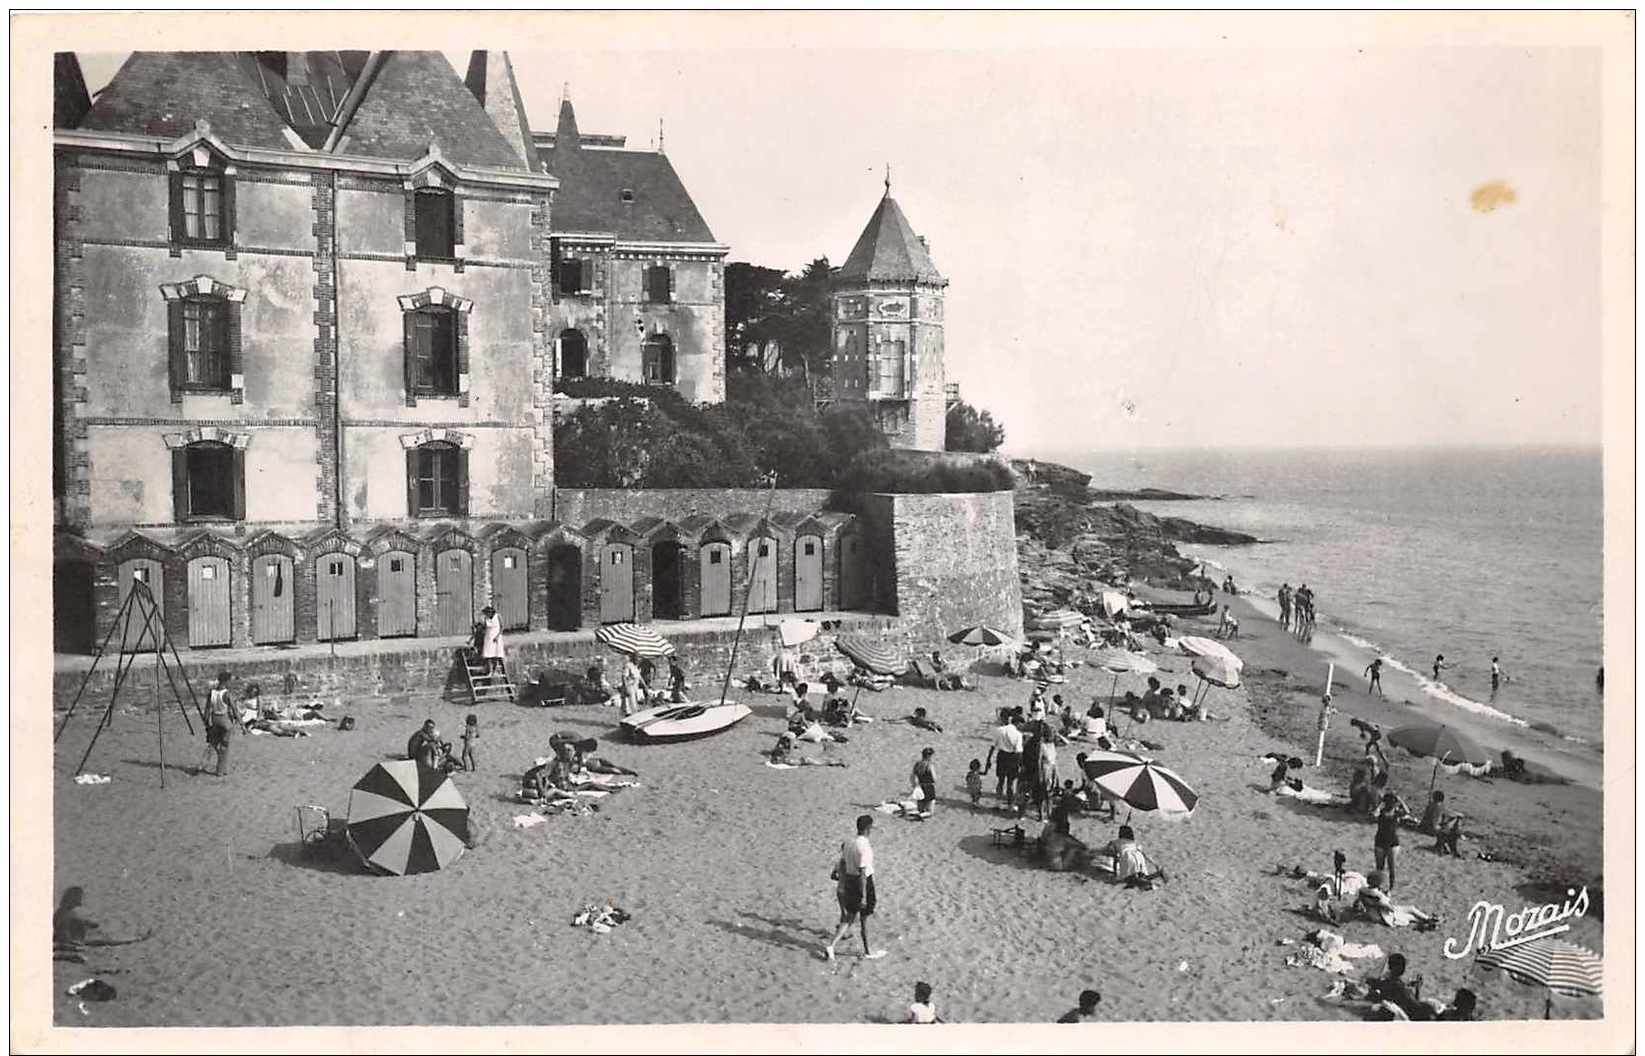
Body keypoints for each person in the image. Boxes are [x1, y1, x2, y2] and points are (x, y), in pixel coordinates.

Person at [824, 815, 884, 961]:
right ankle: (868, 950)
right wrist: (863, 895)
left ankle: (831, 945)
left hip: (850, 881)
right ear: (868, 829)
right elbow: (863, 873)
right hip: (862, 883)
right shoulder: (864, 847)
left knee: (849, 917)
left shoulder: (849, 843)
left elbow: (843, 864)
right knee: (864, 918)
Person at [1368, 953, 1431, 1020]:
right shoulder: (1400, 987)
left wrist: (1408, 984)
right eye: (1402, 965)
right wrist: (1418, 990)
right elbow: (1416, 1007)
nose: (1403, 968)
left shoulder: (1385, 983)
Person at [203, 671, 242, 777]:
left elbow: (206, 710)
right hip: (224, 719)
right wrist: (242, 725)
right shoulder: (227, 694)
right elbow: (234, 710)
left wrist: (206, 724)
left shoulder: (212, 693)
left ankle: (218, 767)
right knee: (224, 746)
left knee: (214, 743)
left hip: (214, 718)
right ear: (226, 681)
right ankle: (220, 770)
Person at [985, 708, 1024, 804]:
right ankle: (1010, 804)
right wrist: (1020, 764)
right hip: (1013, 758)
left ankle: (997, 803)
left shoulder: (999, 730)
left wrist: (988, 759)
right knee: (1010, 783)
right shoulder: (1018, 734)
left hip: (1002, 756)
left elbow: (993, 747)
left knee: (1000, 781)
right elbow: (1018, 752)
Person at [1373, 791, 1410, 891]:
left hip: (1389, 842)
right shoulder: (1382, 812)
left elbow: (1407, 812)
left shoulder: (1395, 813)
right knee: (1380, 867)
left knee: (1391, 867)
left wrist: (1400, 800)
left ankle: (1391, 886)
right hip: (1383, 841)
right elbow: (1374, 814)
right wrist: (1381, 803)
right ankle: (1380, 886)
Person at [768, 732, 846, 767]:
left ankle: (836, 761)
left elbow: (781, 751)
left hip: (803, 759)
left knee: (822, 760)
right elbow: (790, 753)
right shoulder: (785, 757)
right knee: (822, 761)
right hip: (804, 760)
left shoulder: (780, 752)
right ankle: (837, 762)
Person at [910, 747, 938, 818]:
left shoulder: (917, 764)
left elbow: (912, 776)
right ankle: (921, 815)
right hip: (929, 787)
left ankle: (920, 814)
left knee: (920, 808)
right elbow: (934, 778)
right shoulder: (930, 765)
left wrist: (914, 785)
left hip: (920, 786)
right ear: (930, 756)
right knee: (930, 811)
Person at [479, 605, 504, 674]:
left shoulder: (498, 616)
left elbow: (502, 627)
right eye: (486, 613)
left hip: (496, 638)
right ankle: (490, 670)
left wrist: (497, 636)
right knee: (488, 655)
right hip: (488, 637)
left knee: (495, 655)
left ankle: (494, 670)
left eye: (488, 613)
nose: (487, 614)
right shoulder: (486, 618)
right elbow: (484, 627)